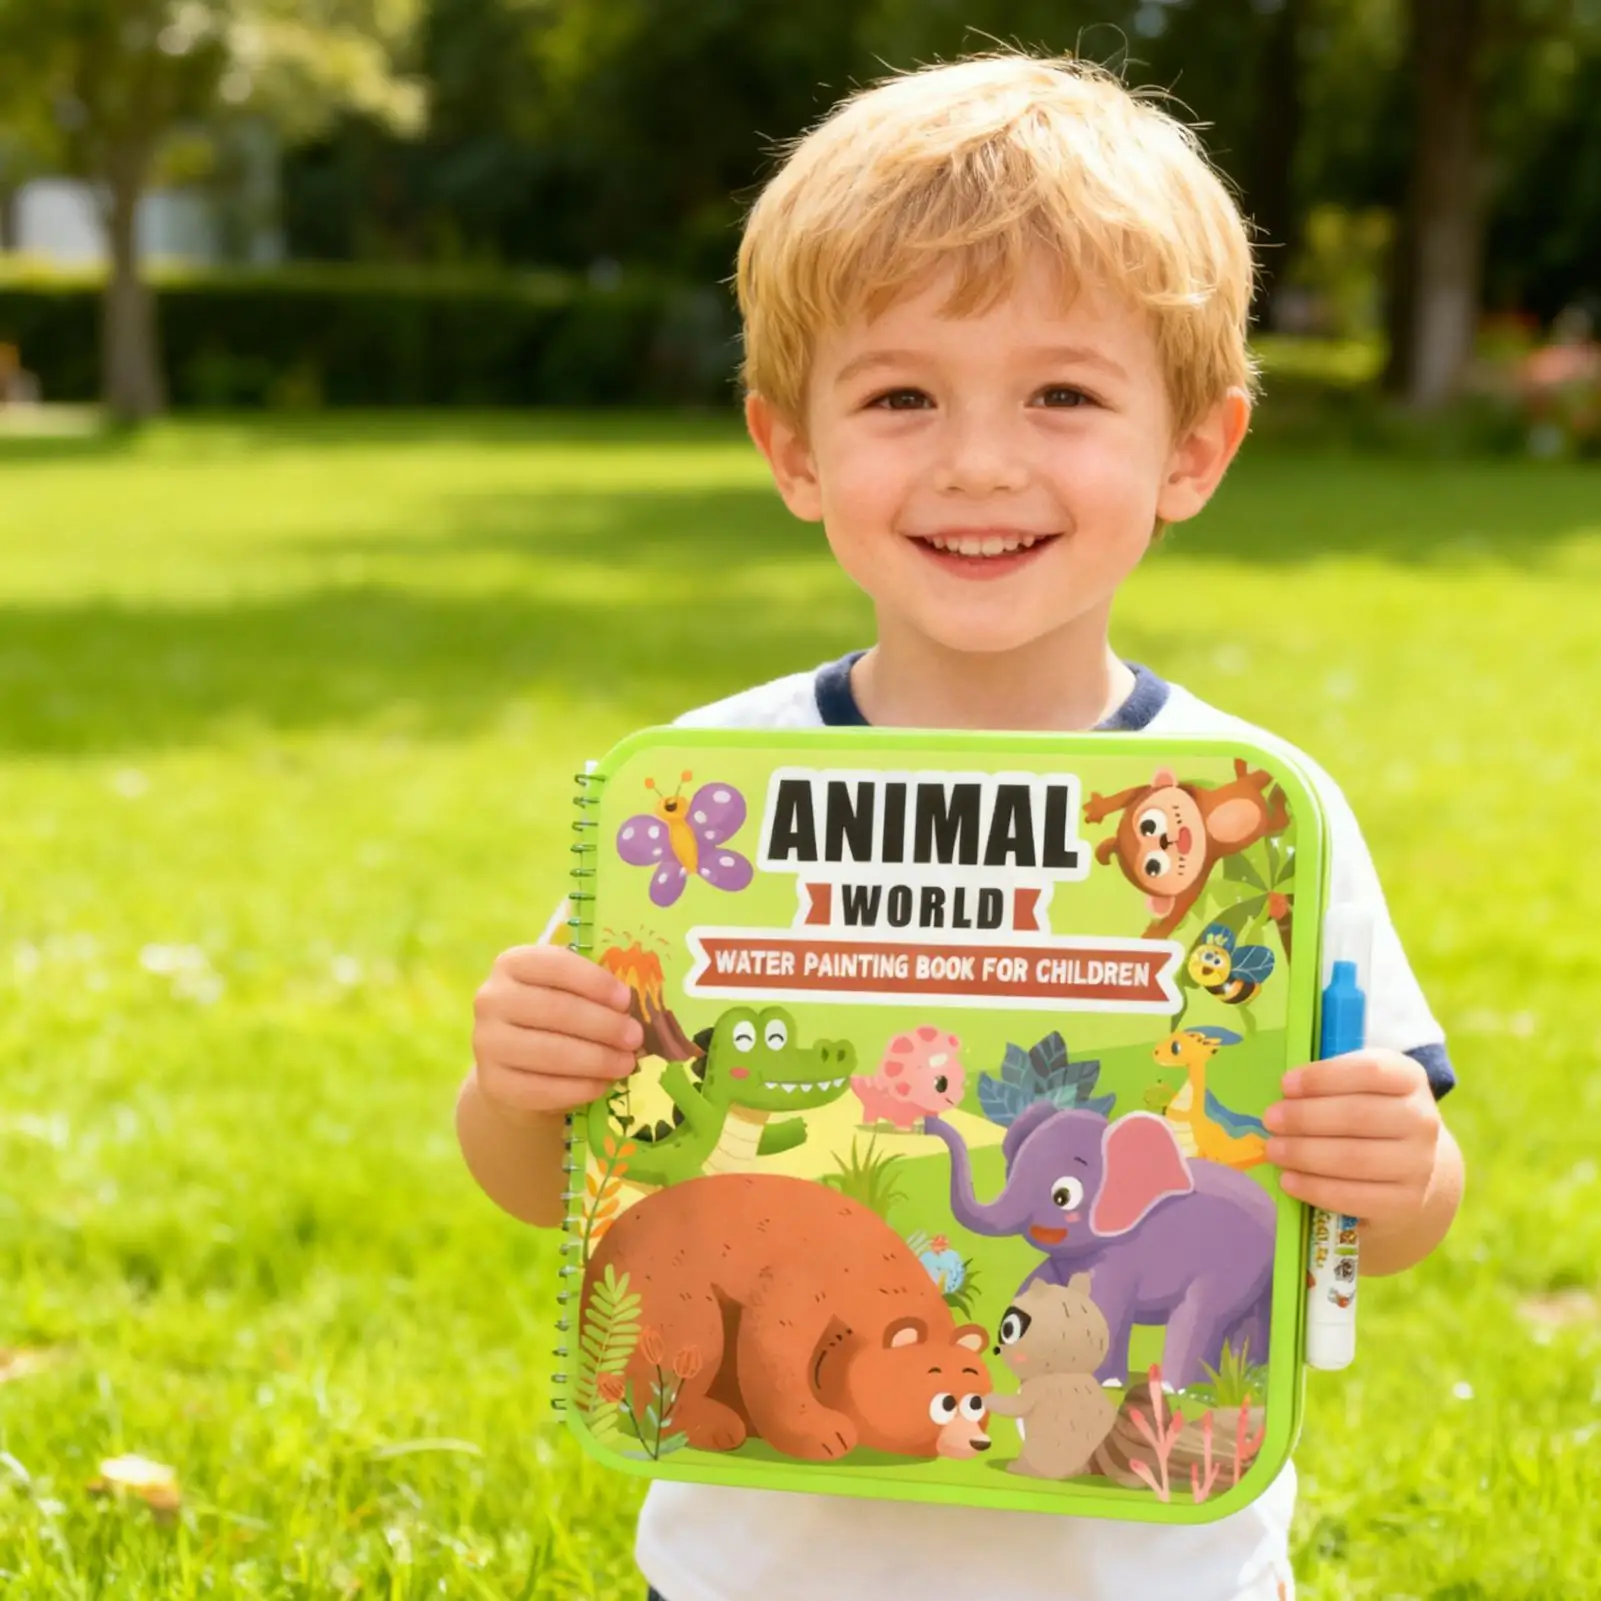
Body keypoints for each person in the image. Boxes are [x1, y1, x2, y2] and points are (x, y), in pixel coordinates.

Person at [457, 51, 1465, 1601]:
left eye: (1063, 394)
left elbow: (1377, 1231)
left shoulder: (1255, 817)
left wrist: (1393, 1169)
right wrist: (523, 1081)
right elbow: (548, 1182)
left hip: (1154, 1575)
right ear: (794, 448)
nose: (979, 459)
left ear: (1192, 449)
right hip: (755, 1565)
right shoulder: (705, 796)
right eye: (900, 395)